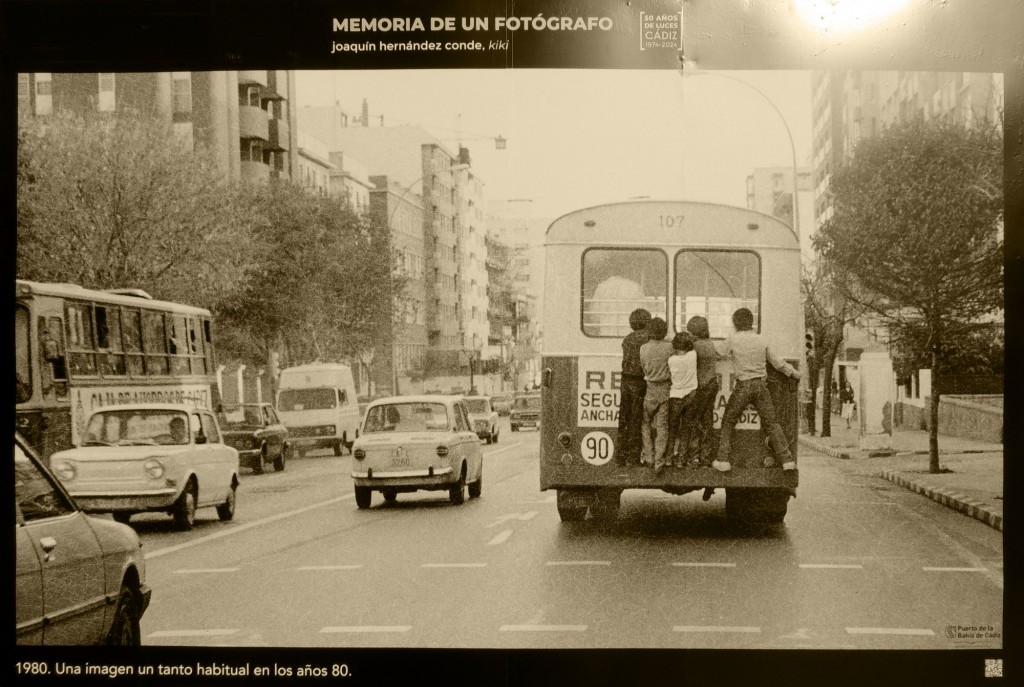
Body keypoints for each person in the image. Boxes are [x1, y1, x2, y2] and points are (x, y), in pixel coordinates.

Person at [713, 308, 801, 472]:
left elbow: (718, 353)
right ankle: (787, 460)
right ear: (751, 322)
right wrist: (793, 373)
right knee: (771, 423)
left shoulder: (733, 338)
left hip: (743, 386)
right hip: (761, 386)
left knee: (728, 420)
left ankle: (723, 460)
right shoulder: (762, 340)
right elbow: (777, 362)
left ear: (735, 322)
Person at [639, 317, 675, 473]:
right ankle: (659, 461)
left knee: (645, 422)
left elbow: (643, 367)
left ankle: (649, 457)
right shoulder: (670, 347)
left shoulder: (643, 348)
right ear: (665, 332)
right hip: (665, 390)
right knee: (662, 426)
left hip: (650, 390)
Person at [616, 308, 651, 465]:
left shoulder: (627, 339)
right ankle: (633, 457)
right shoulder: (648, 338)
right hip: (639, 381)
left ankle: (621, 456)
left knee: (624, 419)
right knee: (637, 419)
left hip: (626, 381)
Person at [685, 316, 720, 467]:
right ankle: (706, 457)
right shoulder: (710, 344)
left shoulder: (694, 346)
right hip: (711, 385)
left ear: (694, 332)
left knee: (693, 421)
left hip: (699, 387)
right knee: (707, 421)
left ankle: (694, 457)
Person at [666, 332, 698, 468]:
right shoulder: (693, 355)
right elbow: (694, 339)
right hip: (690, 395)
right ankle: (681, 460)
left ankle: (668, 459)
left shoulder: (671, 360)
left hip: (675, 396)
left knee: (672, 429)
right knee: (686, 429)